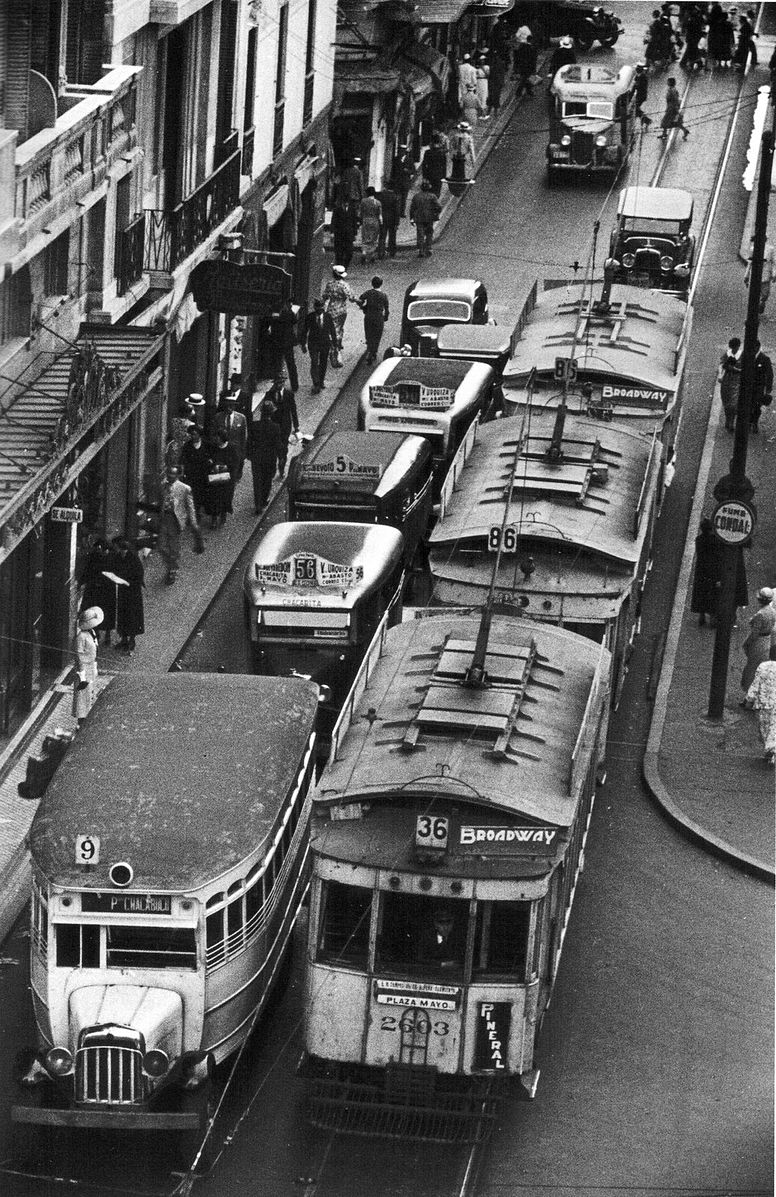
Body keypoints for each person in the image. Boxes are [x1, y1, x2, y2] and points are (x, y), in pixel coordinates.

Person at [158, 467, 204, 585]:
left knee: (173, 546)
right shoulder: (163, 486)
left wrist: (193, 523)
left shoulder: (184, 489)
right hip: (164, 518)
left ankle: (172, 570)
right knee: (161, 546)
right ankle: (171, 564)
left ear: (177, 476)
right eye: (168, 474)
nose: (169, 476)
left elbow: (190, 507)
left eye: (172, 474)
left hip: (175, 520)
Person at [79, 537, 115, 645]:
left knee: (106, 612)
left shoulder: (111, 559)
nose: (98, 551)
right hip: (95, 589)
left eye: (99, 549)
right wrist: (82, 582)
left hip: (106, 590)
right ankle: (97, 632)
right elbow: (87, 570)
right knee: (94, 611)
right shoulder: (95, 557)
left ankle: (107, 635)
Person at [744, 644, 776, 765]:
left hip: (764, 703)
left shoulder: (763, 666)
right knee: (774, 728)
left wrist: (749, 699)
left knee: (764, 727)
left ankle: (770, 749)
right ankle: (772, 749)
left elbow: (755, 684)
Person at [247, 400, 282, 513]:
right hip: (270, 458)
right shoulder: (275, 427)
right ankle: (263, 500)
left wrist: (249, 454)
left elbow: (249, 442)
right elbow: (278, 444)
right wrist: (281, 456)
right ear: (271, 413)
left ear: (261, 413)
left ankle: (258, 505)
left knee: (257, 481)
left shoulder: (254, 425)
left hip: (256, 458)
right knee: (267, 480)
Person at [112, 538, 144, 654]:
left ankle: (132, 640)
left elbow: (139, 574)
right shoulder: (118, 558)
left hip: (133, 592)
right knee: (123, 615)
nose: (115, 549)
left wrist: (129, 581)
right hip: (123, 591)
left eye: (117, 547)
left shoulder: (133, 558)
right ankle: (124, 639)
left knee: (132, 615)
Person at [741, 587, 776, 692]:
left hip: (758, 642)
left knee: (751, 667)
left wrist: (746, 643)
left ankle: (748, 691)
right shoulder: (773, 611)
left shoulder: (760, 614)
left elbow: (754, 633)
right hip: (767, 640)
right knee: (760, 666)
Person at [264, 373, 299, 477]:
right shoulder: (269, 394)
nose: (279, 385)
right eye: (277, 383)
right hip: (273, 425)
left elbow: (293, 410)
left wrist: (296, 426)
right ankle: (273, 468)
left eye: (281, 382)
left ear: (284, 383)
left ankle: (282, 468)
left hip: (285, 426)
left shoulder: (289, 394)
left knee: (283, 448)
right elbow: (264, 412)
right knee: (273, 448)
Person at [690, 517, 723, 627]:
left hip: (701, 569)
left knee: (701, 592)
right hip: (713, 570)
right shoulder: (715, 540)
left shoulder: (699, 540)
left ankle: (701, 616)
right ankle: (712, 619)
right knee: (713, 594)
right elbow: (718, 556)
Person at [301, 297, 338, 393]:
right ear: (315, 308)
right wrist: (303, 344)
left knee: (323, 363)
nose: (319, 310)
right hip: (313, 343)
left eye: (321, 308)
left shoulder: (328, 316)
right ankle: (316, 383)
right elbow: (304, 331)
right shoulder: (310, 317)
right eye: (318, 308)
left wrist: (335, 344)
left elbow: (332, 330)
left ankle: (321, 381)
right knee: (314, 362)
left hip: (325, 343)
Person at [72, 606, 101, 726]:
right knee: (82, 697)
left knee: (89, 694)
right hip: (83, 669)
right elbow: (79, 655)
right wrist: (82, 675)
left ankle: (87, 719)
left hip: (91, 666)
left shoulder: (91, 633)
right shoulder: (81, 637)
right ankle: (81, 722)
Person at [322, 264, 357, 362]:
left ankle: (332, 345)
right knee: (339, 328)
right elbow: (351, 297)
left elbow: (325, 296)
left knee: (331, 328)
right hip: (341, 309)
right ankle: (336, 347)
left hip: (330, 309)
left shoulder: (329, 284)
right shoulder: (344, 285)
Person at [204, 429, 238, 528]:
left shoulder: (231, 447)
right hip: (215, 477)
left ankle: (223, 516)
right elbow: (209, 457)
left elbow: (235, 461)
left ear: (222, 438)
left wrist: (226, 467)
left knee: (225, 498)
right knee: (214, 498)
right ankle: (214, 519)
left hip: (226, 478)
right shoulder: (213, 447)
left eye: (217, 437)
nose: (216, 439)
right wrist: (212, 463)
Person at [180, 423, 210, 518]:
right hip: (191, 474)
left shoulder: (206, 445)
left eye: (194, 434)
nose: (192, 436)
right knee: (192, 494)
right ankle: (195, 514)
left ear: (199, 435)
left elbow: (211, 456)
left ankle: (199, 510)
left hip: (203, 474)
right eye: (191, 434)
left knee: (201, 494)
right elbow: (183, 459)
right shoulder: (187, 445)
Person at [215, 393, 247, 481]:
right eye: (227, 405)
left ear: (234, 406)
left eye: (232, 406)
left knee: (233, 475)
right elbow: (214, 433)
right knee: (221, 476)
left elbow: (244, 437)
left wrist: (243, 453)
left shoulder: (241, 418)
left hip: (235, 452)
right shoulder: (218, 417)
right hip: (222, 450)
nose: (229, 408)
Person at [358, 276, 390, 364]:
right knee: (377, 335)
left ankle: (369, 350)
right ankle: (373, 352)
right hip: (378, 318)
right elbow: (386, 308)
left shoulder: (368, 293)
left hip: (369, 316)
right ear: (381, 284)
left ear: (372, 284)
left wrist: (363, 308)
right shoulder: (383, 295)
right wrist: (385, 317)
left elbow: (360, 299)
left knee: (369, 334)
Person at [271, 299, 299, 393]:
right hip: (287, 343)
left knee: (278, 364)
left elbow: (273, 323)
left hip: (278, 342)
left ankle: (277, 384)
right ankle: (294, 385)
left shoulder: (276, 312)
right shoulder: (288, 313)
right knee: (290, 364)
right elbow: (295, 320)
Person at [409, 180, 443, 259]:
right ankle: (428, 248)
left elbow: (412, 208)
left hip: (419, 218)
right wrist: (436, 213)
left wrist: (411, 218)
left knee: (420, 234)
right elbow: (439, 207)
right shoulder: (432, 196)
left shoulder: (416, 196)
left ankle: (421, 250)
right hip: (429, 217)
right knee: (429, 233)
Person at [744, 236, 775, 317]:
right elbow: (749, 263)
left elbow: (773, 262)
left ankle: (762, 303)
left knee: (765, 293)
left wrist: (774, 273)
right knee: (755, 294)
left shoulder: (770, 249)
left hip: (765, 275)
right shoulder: (752, 249)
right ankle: (755, 310)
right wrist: (746, 275)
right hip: (754, 275)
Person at [718, 336, 742, 432]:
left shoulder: (742, 355)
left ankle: (731, 421)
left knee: (734, 403)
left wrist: (737, 370)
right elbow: (721, 365)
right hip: (727, 380)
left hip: (737, 380)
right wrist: (720, 375)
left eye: (736, 347)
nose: (734, 349)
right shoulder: (727, 354)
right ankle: (728, 419)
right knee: (726, 401)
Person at [751, 340, 773, 432]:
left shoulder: (764, 359)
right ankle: (749, 421)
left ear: (758, 347)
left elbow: (770, 374)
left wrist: (768, 388)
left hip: (759, 387)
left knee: (757, 406)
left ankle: (755, 422)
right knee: (748, 405)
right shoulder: (747, 357)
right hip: (748, 386)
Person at [331, 196, 359, 270]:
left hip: (349, 234)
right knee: (339, 253)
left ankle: (345, 266)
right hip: (339, 234)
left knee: (349, 253)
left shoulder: (352, 210)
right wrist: (332, 232)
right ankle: (339, 268)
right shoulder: (337, 210)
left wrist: (355, 233)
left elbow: (354, 222)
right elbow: (333, 221)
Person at [359, 186, 382, 266]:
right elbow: (379, 215)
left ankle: (364, 252)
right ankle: (372, 254)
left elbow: (361, 212)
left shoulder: (363, 201)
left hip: (366, 220)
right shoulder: (378, 202)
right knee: (374, 238)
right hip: (374, 221)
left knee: (365, 237)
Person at [377, 181, 400, 259]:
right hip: (392, 219)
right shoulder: (395, 197)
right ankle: (392, 251)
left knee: (382, 236)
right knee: (392, 236)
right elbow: (397, 211)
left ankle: (381, 252)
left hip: (383, 218)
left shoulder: (381, 196)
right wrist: (397, 222)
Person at [392, 143, 414, 218]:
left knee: (404, 198)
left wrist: (407, 171)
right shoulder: (396, 159)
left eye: (402, 151)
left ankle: (402, 212)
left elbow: (413, 171)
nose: (400, 152)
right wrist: (392, 180)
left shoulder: (410, 160)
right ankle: (396, 212)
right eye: (399, 150)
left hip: (405, 182)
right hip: (397, 182)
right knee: (397, 198)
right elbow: (393, 171)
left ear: (405, 152)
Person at [458, 53, 478, 119]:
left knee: (461, 100)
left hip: (461, 86)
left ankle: (461, 116)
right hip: (469, 87)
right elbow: (474, 81)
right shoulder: (473, 69)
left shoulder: (460, 67)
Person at [488, 46, 506, 115]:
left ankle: (492, 110)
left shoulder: (494, 63)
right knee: (494, 96)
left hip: (495, 82)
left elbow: (502, 73)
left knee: (494, 96)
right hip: (495, 82)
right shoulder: (498, 62)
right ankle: (492, 110)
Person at [633, 62, 652, 127]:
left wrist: (635, 85)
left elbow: (638, 86)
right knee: (636, 109)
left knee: (635, 109)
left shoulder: (643, 77)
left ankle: (646, 120)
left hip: (641, 96)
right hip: (640, 95)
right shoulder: (639, 75)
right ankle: (644, 119)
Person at [476, 53, 490, 119]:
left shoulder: (487, 67)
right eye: (481, 60)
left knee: (484, 96)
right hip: (478, 82)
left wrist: (482, 68)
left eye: (483, 60)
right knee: (478, 95)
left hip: (484, 82)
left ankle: (483, 112)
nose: (482, 61)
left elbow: (488, 75)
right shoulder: (476, 67)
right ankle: (479, 112)